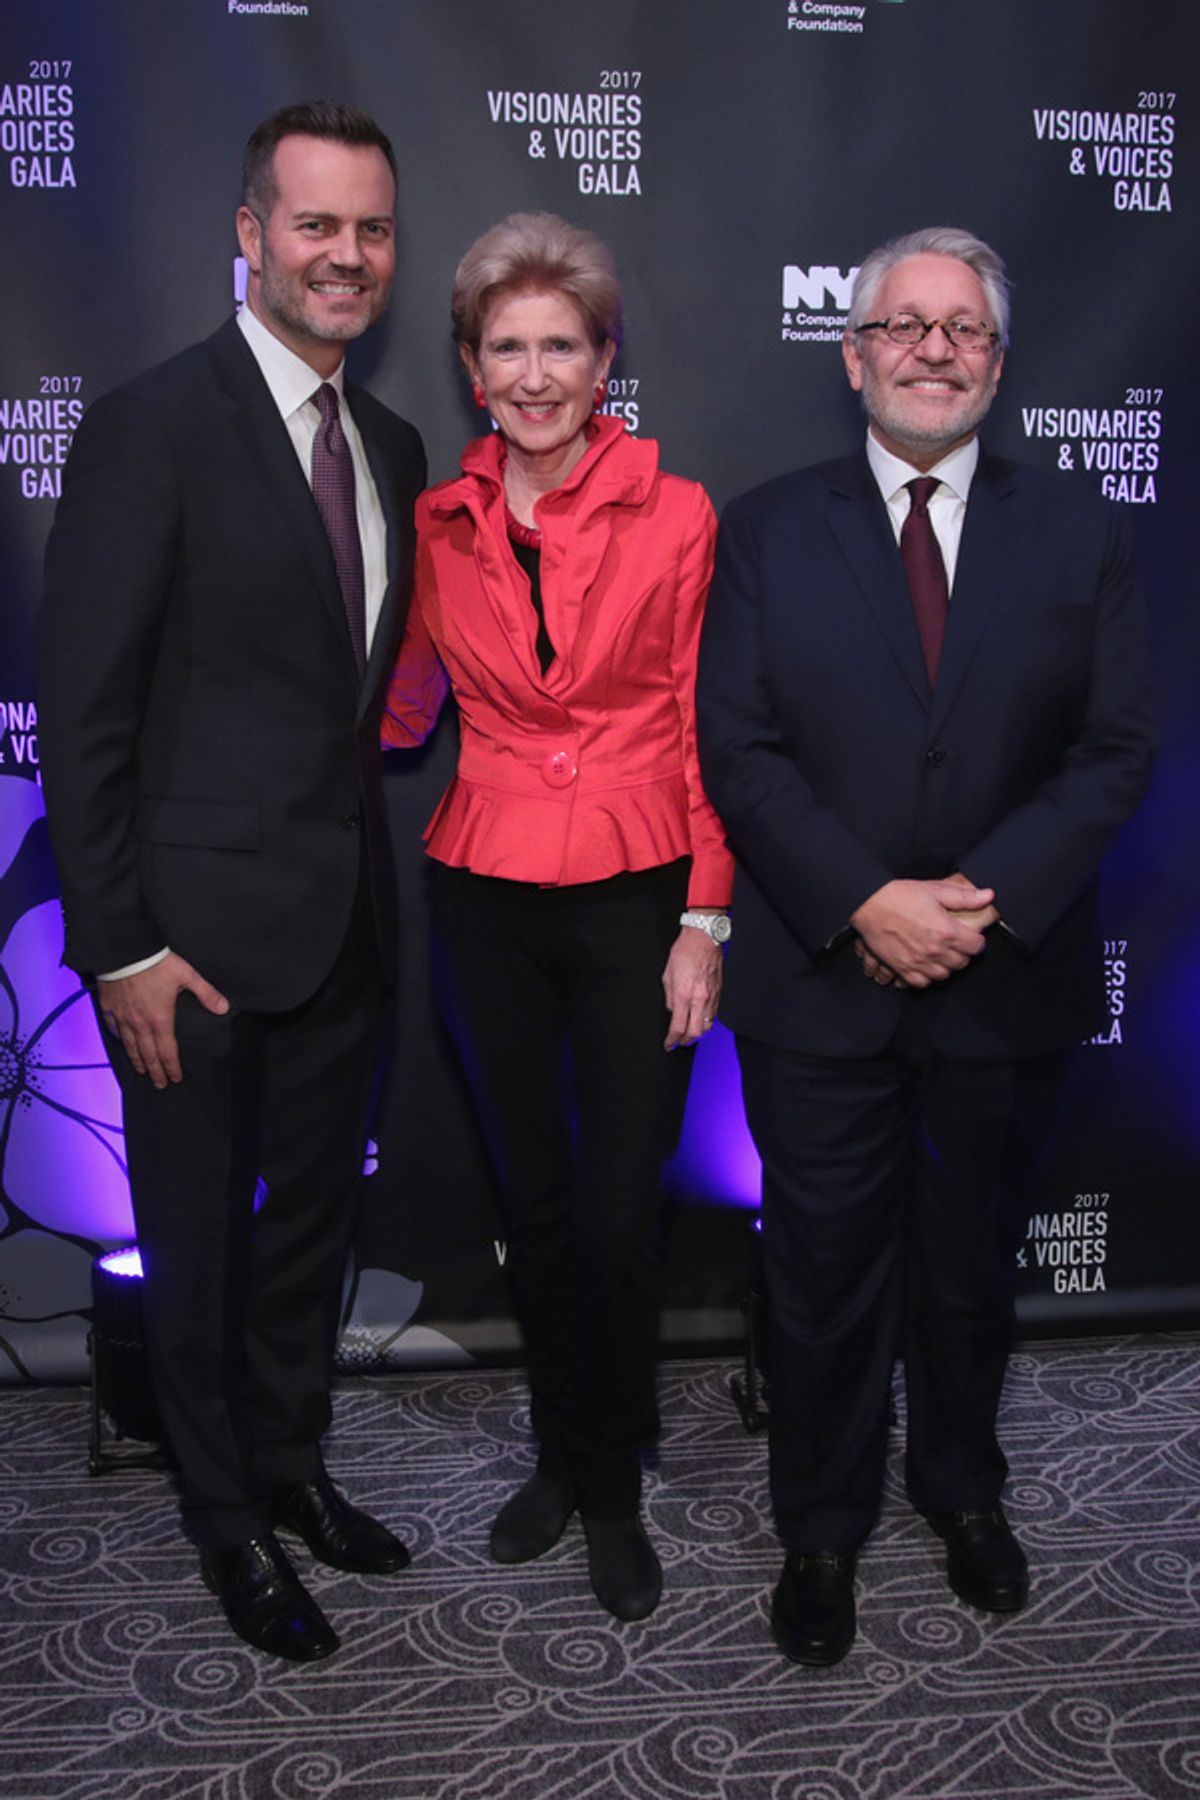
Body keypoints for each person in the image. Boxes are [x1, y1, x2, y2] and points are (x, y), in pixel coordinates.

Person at [697, 226, 1156, 1666]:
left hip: (1005, 978)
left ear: (1000, 364)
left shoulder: (1081, 529)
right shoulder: (768, 527)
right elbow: (740, 745)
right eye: (905, 326)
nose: (934, 349)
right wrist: (866, 903)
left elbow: (1115, 746)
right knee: (823, 1273)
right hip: (819, 976)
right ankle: (821, 1527)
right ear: (854, 357)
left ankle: (961, 1491)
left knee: (967, 1269)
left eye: (963, 329)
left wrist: (977, 901)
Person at [38, 102, 426, 1664]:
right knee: (192, 1245)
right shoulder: (152, 424)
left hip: (346, 927)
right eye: (316, 224)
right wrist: (118, 944)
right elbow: (87, 711)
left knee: (306, 1234)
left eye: (373, 229)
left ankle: (291, 1465)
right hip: (184, 948)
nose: (346, 255)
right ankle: (220, 1519)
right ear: (251, 235)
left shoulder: (389, 446)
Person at [383, 212, 732, 1621]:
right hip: (482, 889)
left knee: (615, 1212)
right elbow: (399, 704)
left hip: (644, 889)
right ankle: (561, 1455)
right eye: (507, 348)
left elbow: (708, 726)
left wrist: (709, 913)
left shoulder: (681, 512)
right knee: (533, 1203)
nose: (534, 375)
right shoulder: (437, 522)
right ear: (473, 368)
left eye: (561, 347)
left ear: (604, 363)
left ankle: (614, 1479)